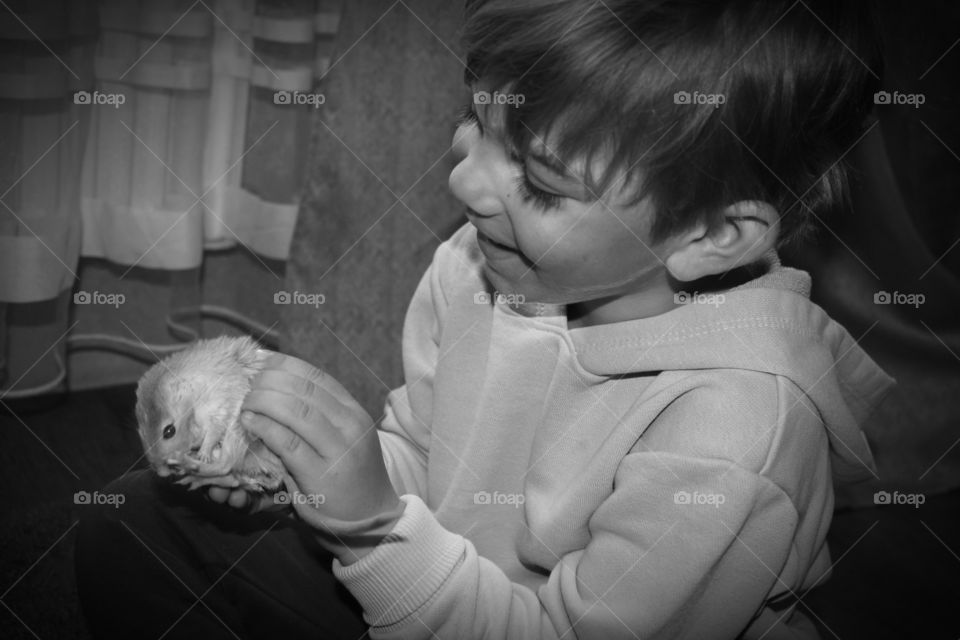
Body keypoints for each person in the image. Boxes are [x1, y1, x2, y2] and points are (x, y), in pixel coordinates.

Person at [76, 1, 894, 638]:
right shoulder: (474, 265)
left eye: (540, 182)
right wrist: (313, 481)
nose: (467, 183)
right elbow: (426, 457)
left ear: (712, 236)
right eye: (477, 122)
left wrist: (373, 534)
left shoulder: (735, 436)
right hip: (429, 574)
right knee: (134, 527)